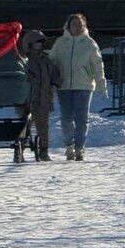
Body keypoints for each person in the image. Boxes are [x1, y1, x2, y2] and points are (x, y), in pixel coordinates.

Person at [49, 13, 108, 161]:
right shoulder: (60, 43)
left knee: (81, 118)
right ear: (68, 26)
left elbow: (98, 65)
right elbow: (52, 62)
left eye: (80, 24)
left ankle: (79, 148)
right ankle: (69, 145)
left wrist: (101, 84)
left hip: (84, 86)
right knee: (66, 118)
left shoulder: (90, 43)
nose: (77, 27)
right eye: (74, 24)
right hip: (64, 86)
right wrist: (50, 82)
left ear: (84, 26)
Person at [21, 29, 61, 161]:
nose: (39, 44)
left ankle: (44, 151)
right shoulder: (25, 61)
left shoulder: (46, 59)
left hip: (44, 98)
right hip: (27, 99)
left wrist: (54, 84)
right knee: (23, 126)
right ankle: (20, 150)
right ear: (29, 44)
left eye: (40, 41)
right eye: (36, 42)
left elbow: (55, 74)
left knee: (43, 126)